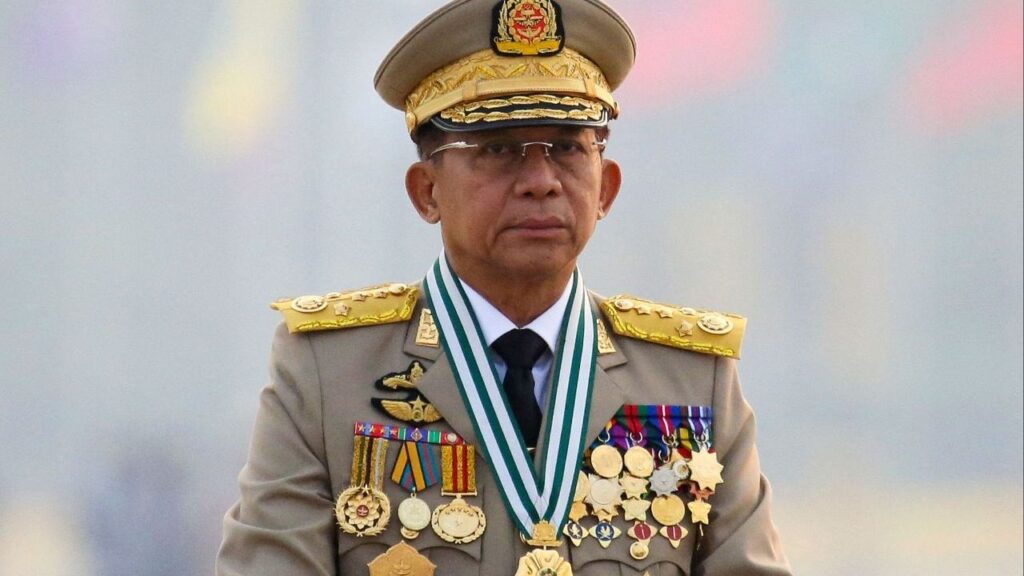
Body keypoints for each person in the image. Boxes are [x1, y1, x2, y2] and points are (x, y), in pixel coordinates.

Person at [217, 1, 790, 574]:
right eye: (497, 149)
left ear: (606, 189)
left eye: (567, 148)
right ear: (426, 191)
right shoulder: (328, 372)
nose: (540, 182)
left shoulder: (691, 378)